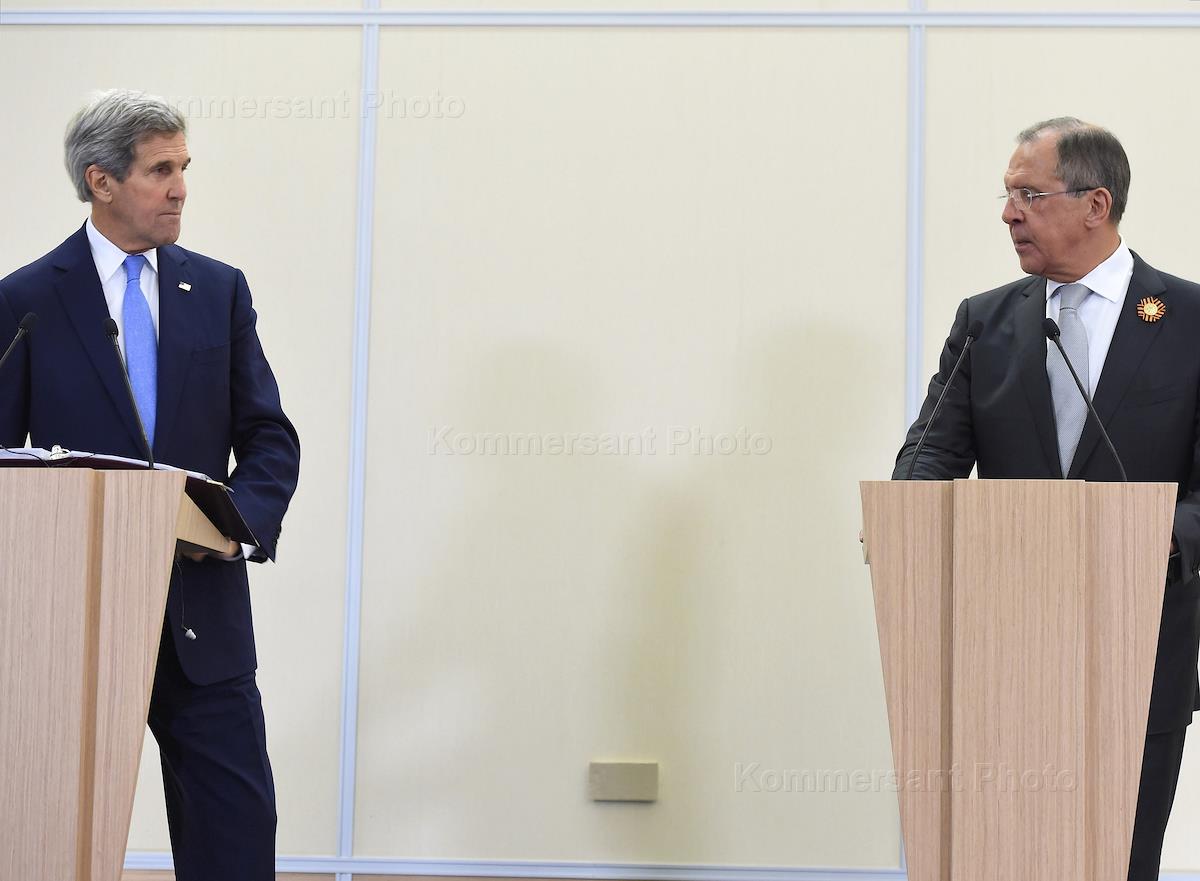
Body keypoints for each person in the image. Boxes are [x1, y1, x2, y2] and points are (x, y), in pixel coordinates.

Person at [0, 89, 300, 880]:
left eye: (183, 168)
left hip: (201, 615)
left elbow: (268, 435)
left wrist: (235, 525)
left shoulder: (220, 291)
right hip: (67, 619)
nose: (180, 189)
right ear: (100, 181)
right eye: (160, 171)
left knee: (235, 835)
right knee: (49, 833)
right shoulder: (26, 301)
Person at [894, 117, 1199, 880]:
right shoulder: (986, 321)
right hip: (1000, 644)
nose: (1009, 214)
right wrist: (907, 518)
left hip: (1139, 640)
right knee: (1001, 857)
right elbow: (930, 452)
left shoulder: (1191, 320)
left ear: (1096, 204)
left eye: (1030, 195)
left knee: (1119, 861)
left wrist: (1156, 534)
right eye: (1007, 196)